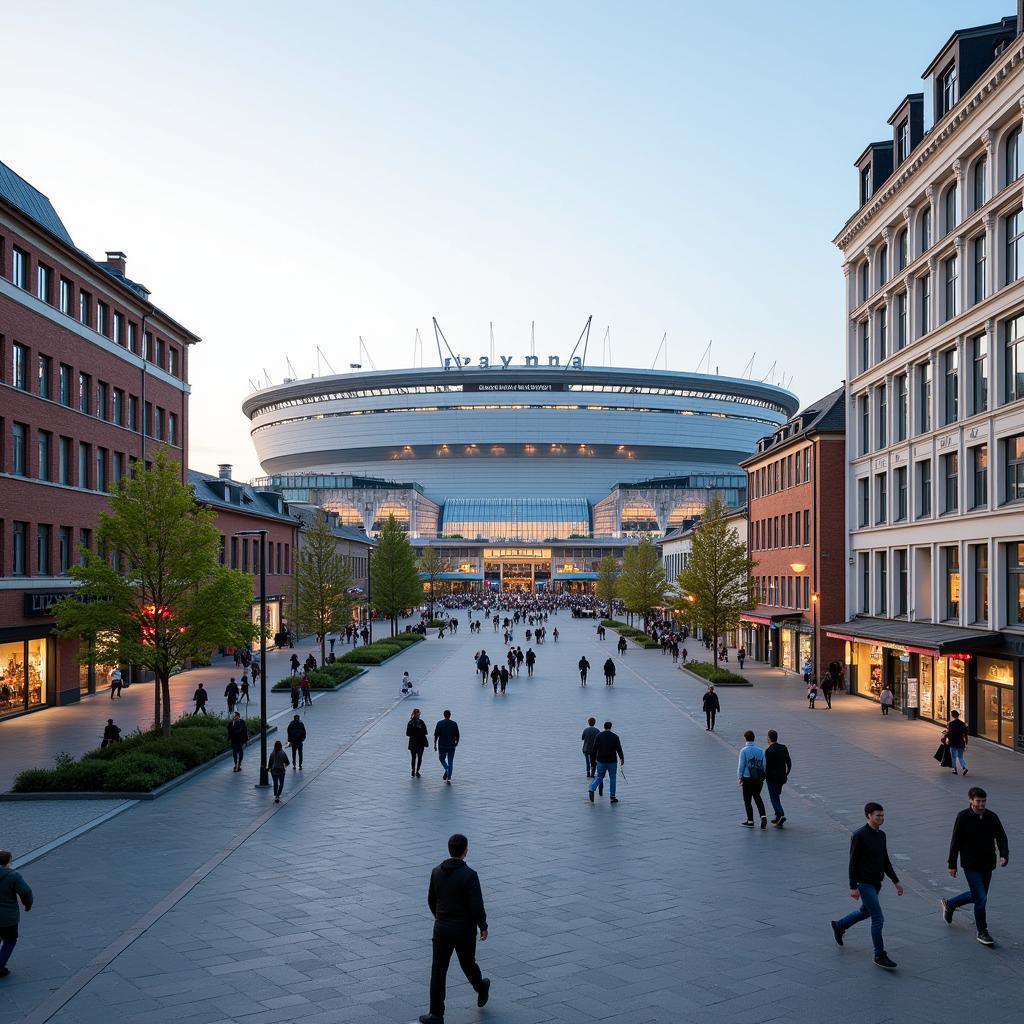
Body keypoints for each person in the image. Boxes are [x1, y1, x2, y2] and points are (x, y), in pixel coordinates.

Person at [419, 833, 490, 1023]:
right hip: (464, 930)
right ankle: (481, 987)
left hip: (441, 928)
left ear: (449, 849)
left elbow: (431, 900)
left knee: (438, 971)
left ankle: (436, 1014)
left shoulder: (436, 871)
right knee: (468, 965)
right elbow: (476, 906)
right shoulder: (470, 875)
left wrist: (440, 917)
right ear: (465, 851)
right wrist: (482, 926)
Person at [830, 802, 903, 970]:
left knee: (865, 912)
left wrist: (896, 881)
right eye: (878, 815)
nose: (881, 818)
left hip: (877, 882)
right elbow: (852, 863)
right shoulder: (859, 835)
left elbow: (885, 861)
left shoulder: (882, 835)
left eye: (883, 815)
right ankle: (879, 954)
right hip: (864, 883)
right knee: (878, 917)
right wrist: (853, 886)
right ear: (868, 816)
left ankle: (840, 925)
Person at [942, 786, 1008, 946]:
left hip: (988, 863)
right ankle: (982, 931)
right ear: (971, 800)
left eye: (984, 801)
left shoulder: (992, 817)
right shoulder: (963, 817)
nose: (982, 804)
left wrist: (1004, 855)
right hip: (970, 864)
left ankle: (950, 904)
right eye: (978, 801)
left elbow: (1001, 837)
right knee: (981, 898)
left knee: (978, 895)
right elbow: (955, 842)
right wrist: (952, 864)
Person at [0, 849, 33, 979]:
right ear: (9, 861)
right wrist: (27, 904)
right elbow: (26, 892)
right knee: (10, 940)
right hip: (8, 917)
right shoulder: (13, 876)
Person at [587, 722, 624, 804]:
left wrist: (593, 761)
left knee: (600, 776)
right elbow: (619, 749)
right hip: (612, 761)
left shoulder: (599, 736)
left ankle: (591, 789)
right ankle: (612, 797)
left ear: (604, 727)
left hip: (601, 760)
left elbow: (594, 749)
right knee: (613, 778)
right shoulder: (615, 737)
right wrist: (622, 758)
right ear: (611, 727)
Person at [737, 730, 767, 829]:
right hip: (758, 779)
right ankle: (763, 816)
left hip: (747, 778)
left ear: (745, 739)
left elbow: (741, 766)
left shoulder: (744, 750)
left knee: (747, 800)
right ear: (754, 738)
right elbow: (764, 765)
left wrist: (739, 777)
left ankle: (750, 821)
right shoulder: (761, 750)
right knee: (757, 797)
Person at [764, 729, 792, 827]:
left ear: (769, 738)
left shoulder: (768, 751)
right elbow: (789, 763)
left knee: (773, 798)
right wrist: (786, 773)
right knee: (777, 796)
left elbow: (767, 767)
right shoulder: (783, 748)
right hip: (781, 778)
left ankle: (780, 815)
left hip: (772, 779)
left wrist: (764, 777)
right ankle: (777, 817)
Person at [434, 710, 460, 784]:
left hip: (442, 746)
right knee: (450, 761)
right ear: (450, 715)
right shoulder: (454, 724)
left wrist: (435, 744)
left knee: (441, 759)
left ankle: (446, 768)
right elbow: (457, 735)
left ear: (444, 715)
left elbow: (436, 735)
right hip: (452, 746)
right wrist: (456, 742)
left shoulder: (439, 723)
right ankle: (449, 778)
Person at [946, 710, 969, 775]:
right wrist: (966, 743)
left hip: (953, 742)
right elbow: (966, 734)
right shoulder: (963, 723)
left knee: (953, 757)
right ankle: (964, 767)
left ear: (952, 715)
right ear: (958, 715)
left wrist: (947, 739)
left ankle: (955, 770)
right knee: (960, 756)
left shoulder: (950, 724)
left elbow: (950, 734)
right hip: (961, 742)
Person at [407, 708, 428, 777]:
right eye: (418, 714)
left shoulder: (410, 722)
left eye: (418, 714)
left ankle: (413, 770)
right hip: (420, 743)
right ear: (416, 714)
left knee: (414, 758)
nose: (418, 715)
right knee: (419, 758)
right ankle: (417, 771)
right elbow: (425, 732)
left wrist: (415, 731)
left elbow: (408, 733)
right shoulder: (421, 722)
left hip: (413, 742)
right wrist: (419, 730)